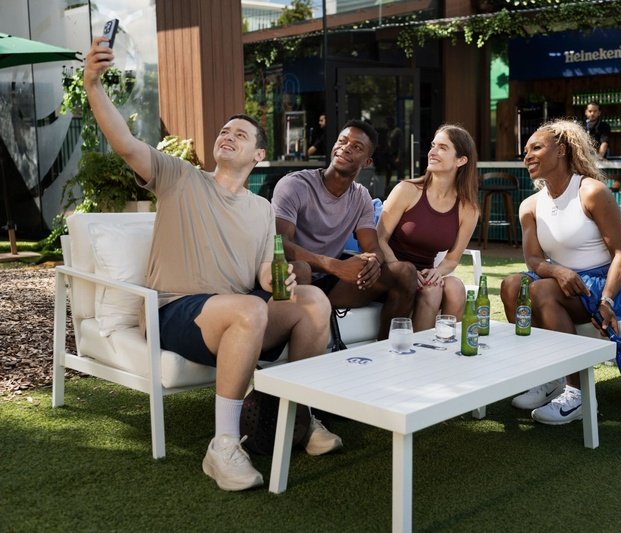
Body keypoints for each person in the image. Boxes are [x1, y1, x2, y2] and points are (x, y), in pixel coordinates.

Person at [83, 37, 342, 492]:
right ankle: (223, 445)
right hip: (176, 311)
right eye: (224, 131)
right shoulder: (180, 178)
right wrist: (92, 84)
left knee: (315, 301)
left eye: (240, 134)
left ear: (258, 156)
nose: (228, 135)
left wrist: (278, 279)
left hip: (240, 311)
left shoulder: (261, 209)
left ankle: (297, 418)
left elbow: (262, 273)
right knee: (251, 308)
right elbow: (124, 143)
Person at [499, 119, 621, 425]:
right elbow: (533, 260)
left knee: (541, 291)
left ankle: (579, 394)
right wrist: (557, 271)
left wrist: (607, 300)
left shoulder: (591, 192)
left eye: (536, 148)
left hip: (611, 282)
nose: (527, 156)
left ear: (561, 150)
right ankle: (548, 377)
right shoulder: (530, 206)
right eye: (525, 151)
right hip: (564, 281)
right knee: (511, 286)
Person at [272, 119, 417, 340]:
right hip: (297, 277)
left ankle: (386, 350)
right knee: (301, 269)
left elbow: (373, 247)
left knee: (405, 272)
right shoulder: (295, 185)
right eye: (342, 141)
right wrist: (335, 266)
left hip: (332, 281)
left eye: (357, 147)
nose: (346, 147)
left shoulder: (361, 196)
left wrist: (373, 263)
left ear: (367, 161)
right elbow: (281, 245)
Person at [377, 124, 480, 331]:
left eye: (442, 147)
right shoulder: (407, 190)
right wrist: (402, 270)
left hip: (424, 273)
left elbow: (452, 259)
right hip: (391, 270)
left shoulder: (468, 209)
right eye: (433, 145)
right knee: (432, 290)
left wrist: (437, 272)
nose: (432, 152)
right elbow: (379, 239)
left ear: (461, 160)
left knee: (455, 287)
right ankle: (421, 348)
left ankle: (448, 347)